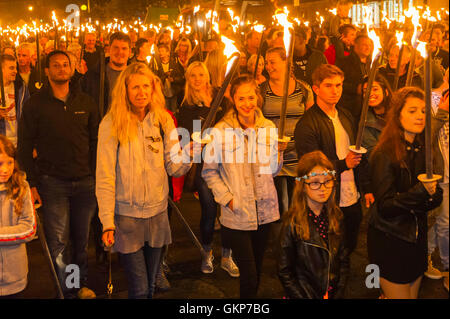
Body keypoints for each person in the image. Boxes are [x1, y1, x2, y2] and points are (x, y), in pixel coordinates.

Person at [97, 63, 192, 299]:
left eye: (146, 86)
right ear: (125, 90)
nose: (141, 92)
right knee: (139, 289)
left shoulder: (162, 120)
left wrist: (192, 151)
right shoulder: (111, 123)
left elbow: (175, 168)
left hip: (157, 214)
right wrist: (107, 221)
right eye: (135, 87)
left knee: (150, 287)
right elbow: (105, 176)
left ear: (153, 89)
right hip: (126, 218)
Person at [17, 50, 99, 299]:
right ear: (47, 70)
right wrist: (31, 183)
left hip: (85, 182)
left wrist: (98, 177)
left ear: (72, 69)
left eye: (66, 64)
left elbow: (96, 142)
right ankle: (67, 289)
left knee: (81, 240)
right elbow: (24, 145)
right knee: (60, 243)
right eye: (56, 65)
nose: (62, 69)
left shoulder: (86, 102)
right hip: (53, 183)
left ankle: (79, 283)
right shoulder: (35, 105)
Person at [202, 75, 286, 299]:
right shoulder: (220, 131)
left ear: (257, 97)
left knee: (257, 270)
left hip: (265, 211)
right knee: (248, 273)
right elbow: (209, 171)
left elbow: (274, 171)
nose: (247, 104)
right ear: (233, 100)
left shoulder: (268, 127)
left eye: (251, 97)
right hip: (237, 212)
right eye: (242, 99)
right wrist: (227, 198)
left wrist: (279, 152)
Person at [367, 86, 443, 299]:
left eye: (423, 111)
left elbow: (432, 199)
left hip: (416, 239)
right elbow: (385, 206)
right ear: (397, 113)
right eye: (412, 111)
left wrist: (434, 195)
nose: (420, 116)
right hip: (390, 240)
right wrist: (421, 192)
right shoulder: (384, 153)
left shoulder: (422, 149)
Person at [295, 64, 369, 257]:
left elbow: (356, 154)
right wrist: (344, 164)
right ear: (316, 88)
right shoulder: (307, 124)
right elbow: (310, 169)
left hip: (352, 197)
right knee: (327, 252)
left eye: (339, 85)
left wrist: (366, 188)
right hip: (325, 199)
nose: (335, 90)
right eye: (328, 85)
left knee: (349, 248)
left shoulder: (345, 116)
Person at [177, 62, 238, 277]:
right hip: (204, 164)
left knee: (230, 210)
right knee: (210, 209)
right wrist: (197, 140)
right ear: (188, 78)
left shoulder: (220, 97)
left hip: (227, 161)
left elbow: (234, 123)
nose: (197, 79)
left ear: (207, 76)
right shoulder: (186, 104)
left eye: (201, 74)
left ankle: (227, 255)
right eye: (193, 75)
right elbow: (184, 134)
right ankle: (207, 252)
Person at [277, 150, 349, 299]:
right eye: (315, 183)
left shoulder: (336, 218)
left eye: (327, 181)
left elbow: (344, 262)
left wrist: (338, 293)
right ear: (303, 185)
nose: (322, 188)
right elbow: (285, 272)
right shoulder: (292, 224)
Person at [262, 46, 314, 221]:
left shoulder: (303, 89)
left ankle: (295, 237)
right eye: (266, 63)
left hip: (298, 156)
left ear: (287, 63)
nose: (268, 66)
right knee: (279, 204)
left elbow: (311, 122)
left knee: (296, 204)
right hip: (273, 157)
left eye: (273, 62)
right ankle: (280, 240)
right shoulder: (261, 91)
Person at [0, 135, 36, 299]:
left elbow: (29, 229)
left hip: (15, 280)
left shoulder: (22, 187)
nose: (6, 169)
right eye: (0, 163)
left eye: (10, 162)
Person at [425, 74, 449, 291]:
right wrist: (442, 112)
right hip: (443, 175)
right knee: (443, 224)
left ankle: (426, 256)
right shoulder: (432, 99)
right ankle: (447, 267)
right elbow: (427, 137)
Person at [337, 34, 373, 120]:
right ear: (355, 45)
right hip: (350, 108)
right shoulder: (344, 62)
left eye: (370, 45)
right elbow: (338, 83)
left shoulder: (372, 65)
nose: (368, 48)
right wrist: (356, 88)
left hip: (369, 108)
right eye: (365, 45)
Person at [0, 54, 29, 148]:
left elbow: (29, 113)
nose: (15, 71)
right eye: (11, 68)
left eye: (15, 68)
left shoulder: (21, 88)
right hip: (2, 143)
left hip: (19, 141)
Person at [150, 44, 185, 113]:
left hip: (173, 92)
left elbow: (181, 78)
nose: (160, 53)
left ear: (167, 53)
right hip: (163, 93)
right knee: (165, 112)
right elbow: (156, 78)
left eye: (162, 51)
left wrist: (173, 80)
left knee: (173, 111)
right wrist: (164, 75)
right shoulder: (157, 65)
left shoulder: (174, 64)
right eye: (159, 51)